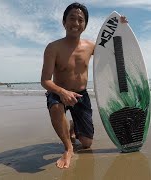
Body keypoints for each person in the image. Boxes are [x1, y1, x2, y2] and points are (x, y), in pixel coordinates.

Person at [41, 2, 128, 169]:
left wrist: (120, 26)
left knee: (87, 143)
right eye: (72, 18)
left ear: (85, 25)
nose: (76, 23)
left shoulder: (91, 47)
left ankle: (73, 125)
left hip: (81, 94)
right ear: (64, 22)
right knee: (56, 108)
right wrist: (62, 92)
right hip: (58, 92)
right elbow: (45, 80)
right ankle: (68, 148)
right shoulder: (53, 48)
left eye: (80, 20)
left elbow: (113, 48)